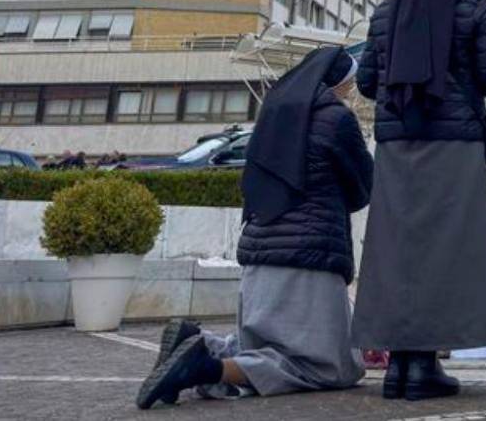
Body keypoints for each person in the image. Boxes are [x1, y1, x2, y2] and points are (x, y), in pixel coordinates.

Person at [136, 46, 374, 409]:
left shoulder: (274, 112)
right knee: (327, 367)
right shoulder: (336, 119)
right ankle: (204, 366)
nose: (350, 88)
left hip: (259, 255)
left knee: (265, 347)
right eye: (350, 82)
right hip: (309, 260)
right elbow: (362, 188)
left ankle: (201, 343)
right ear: (338, 82)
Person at [351, 0, 486, 402]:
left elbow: (365, 83)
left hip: (398, 147)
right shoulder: (475, 7)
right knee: (447, 253)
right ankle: (423, 365)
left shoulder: (385, 14)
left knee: (396, 252)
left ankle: (401, 366)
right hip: (455, 147)